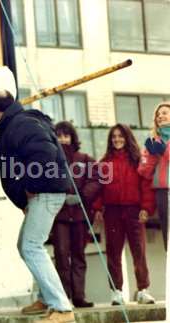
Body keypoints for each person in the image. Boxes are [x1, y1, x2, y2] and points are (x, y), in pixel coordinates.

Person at [0, 90, 75, 323]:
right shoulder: (20, 123)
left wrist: (28, 186)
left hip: (46, 192)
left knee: (31, 246)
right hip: (46, 191)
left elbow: (45, 153)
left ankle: (62, 308)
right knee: (26, 244)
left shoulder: (20, 125)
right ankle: (47, 299)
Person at [93, 124, 155, 306]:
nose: (117, 139)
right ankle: (116, 292)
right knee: (113, 253)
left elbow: (145, 186)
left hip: (134, 210)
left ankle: (143, 290)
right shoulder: (104, 163)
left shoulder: (138, 160)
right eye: (114, 137)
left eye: (120, 136)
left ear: (127, 138)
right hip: (112, 211)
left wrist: (146, 208)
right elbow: (99, 188)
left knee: (139, 252)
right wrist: (97, 207)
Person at [52, 121, 100, 308]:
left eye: (66, 135)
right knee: (62, 255)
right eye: (59, 136)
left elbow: (96, 179)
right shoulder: (51, 159)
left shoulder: (85, 158)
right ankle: (63, 297)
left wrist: (81, 196)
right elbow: (46, 182)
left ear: (73, 138)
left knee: (78, 255)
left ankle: (79, 296)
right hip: (60, 215)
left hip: (80, 215)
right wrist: (62, 198)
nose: (63, 139)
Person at [138, 101, 170, 250]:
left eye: (164, 113)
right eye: (158, 115)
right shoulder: (153, 141)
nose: (160, 117)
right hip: (162, 193)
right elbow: (143, 171)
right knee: (168, 237)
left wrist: (165, 151)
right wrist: (152, 156)